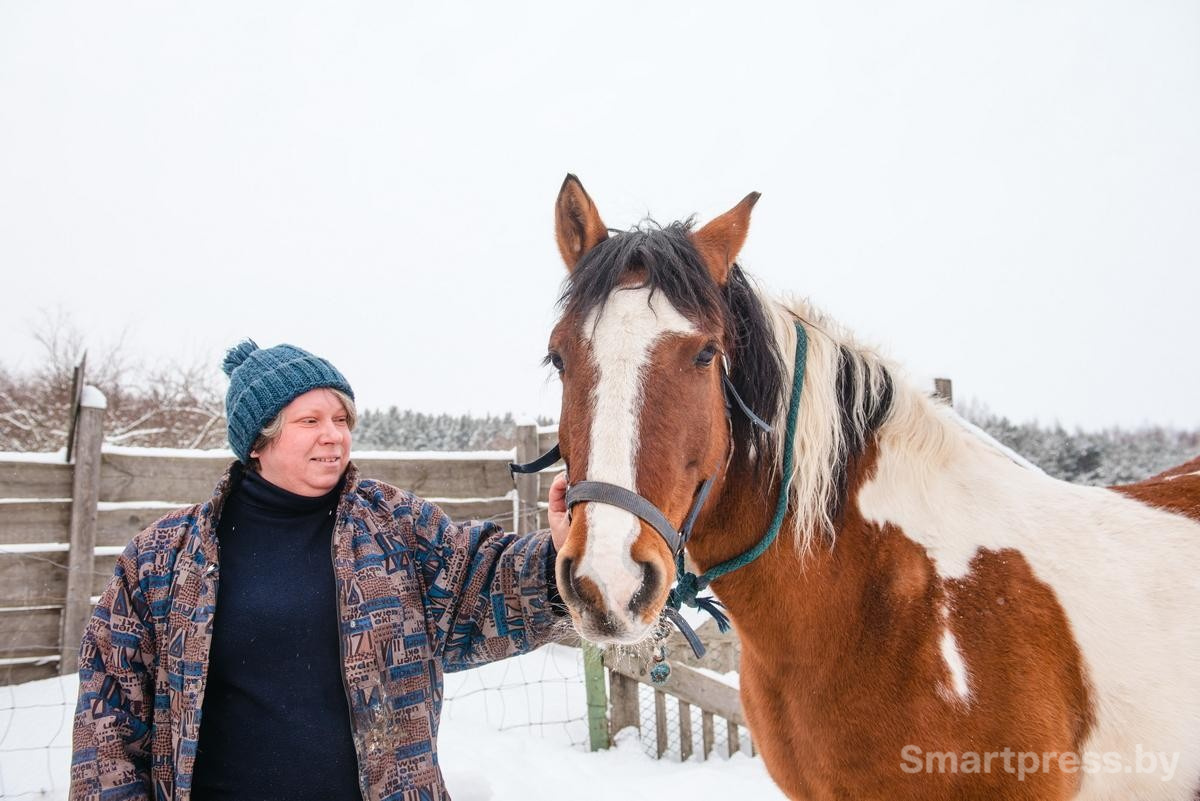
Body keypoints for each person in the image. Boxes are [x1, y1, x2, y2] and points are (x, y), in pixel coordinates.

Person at [70, 340, 570, 801]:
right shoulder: (164, 558)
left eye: (341, 419)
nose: (334, 436)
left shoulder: (393, 524)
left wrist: (559, 555)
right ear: (257, 442)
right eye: (310, 421)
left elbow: (481, 583)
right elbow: (109, 720)